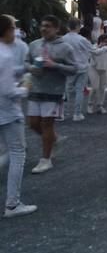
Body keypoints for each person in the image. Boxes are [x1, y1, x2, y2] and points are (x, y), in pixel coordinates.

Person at [25, 15, 76, 174]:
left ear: (56, 28)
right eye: (42, 25)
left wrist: (54, 65)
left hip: (53, 91)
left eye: (48, 26)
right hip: (35, 89)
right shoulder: (33, 45)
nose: (44, 28)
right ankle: (53, 139)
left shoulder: (65, 47)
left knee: (47, 124)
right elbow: (25, 62)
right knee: (33, 123)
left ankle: (45, 159)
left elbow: (74, 68)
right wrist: (32, 68)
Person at [0, 15, 36, 217]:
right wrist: (25, 88)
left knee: (4, 151)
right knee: (17, 154)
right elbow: (7, 90)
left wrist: (24, 70)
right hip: (8, 111)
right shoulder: (4, 54)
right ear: (6, 31)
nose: (16, 31)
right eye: (13, 27)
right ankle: (12, 203)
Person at [62, 18, 92, 121]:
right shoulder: (82, 39)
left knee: (67, 90)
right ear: (78, 26)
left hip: (69, 67)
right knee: (80, 91)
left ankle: (63, 112)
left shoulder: (63, 39)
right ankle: (77, 113)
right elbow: (93, 50)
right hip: (82, 67)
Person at [87, 34, 107, 115]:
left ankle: (100, 105)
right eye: (105, 41)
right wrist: (104, 47)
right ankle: (90, 104)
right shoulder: (94, 46)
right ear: (100, 40)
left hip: (104, 69)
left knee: (102, 88)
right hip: (94, 69)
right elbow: (96, 52)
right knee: (95, 87)